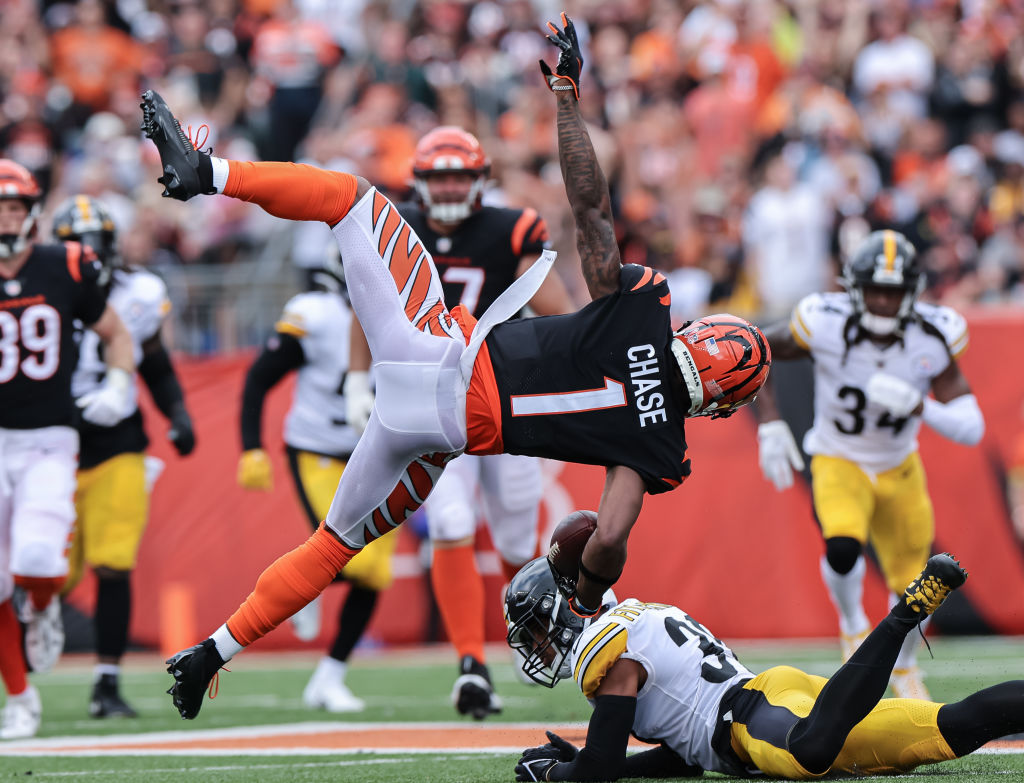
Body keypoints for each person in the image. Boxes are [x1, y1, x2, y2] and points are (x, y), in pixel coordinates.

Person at [143, 12, 769, 722]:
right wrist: (582, 595)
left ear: (693, 330)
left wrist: (566, 96)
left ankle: (210, 172)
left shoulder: (644, 304)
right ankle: (212, 652)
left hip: (437, 357)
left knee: (351, 201)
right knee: (332, 544)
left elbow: (590, 207)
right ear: (718, 408)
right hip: (440, 441)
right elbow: (612, 535)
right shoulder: (661, 450)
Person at [505, 551, 1024, 781]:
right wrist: (589, 759)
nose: (536, 646)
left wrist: (553, 771)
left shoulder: (611, 653)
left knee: (808, 753)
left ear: (560, 614)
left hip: (754, 718)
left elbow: (596, 774)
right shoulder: (637, 618)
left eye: (534, 631)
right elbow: (684, 758)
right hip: (771, 701)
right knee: (944, 728)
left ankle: (905, 614)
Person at [754, 229, 984, 700]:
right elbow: (758, 349)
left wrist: (921, 407)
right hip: (839, 457)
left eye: (893, 291)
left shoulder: (933, 334)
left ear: (912, 292)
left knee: (915, 584)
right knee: (842, 544)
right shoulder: (825, 321)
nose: (882, 300)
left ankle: (903, 666)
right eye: (875, 289)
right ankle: (852, 624)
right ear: (854, 289)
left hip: (899, 467)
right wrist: (770, 422)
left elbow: (972, 425)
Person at [396, 125, 574, 719]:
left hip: (506, 398)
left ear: (479, 180)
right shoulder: (399, 230)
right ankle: (470, 666)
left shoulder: (510, 228)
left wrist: (578, 347)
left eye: (458, 175)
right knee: (449, 522)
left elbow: (557, 309)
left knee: (519, 542)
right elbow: (362, 309)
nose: (448, 188)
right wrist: (354, 377)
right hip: (436, 401)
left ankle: (533, 640)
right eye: (438, 176)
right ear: (420, 182)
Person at [0, 163, 134, 740]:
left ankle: (43, 605)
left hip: (50, 440)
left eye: (12, 206)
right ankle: (21, 699)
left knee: (36, 560)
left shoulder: (64, 266)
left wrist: (120, 383)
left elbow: (118, 335)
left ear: (31, 213)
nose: (5, 217)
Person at [54, 195, 195, 719]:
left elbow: (154, 361)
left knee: (114, 563)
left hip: (118, 441)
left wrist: (177, 412)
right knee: (44, 571)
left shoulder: (140, 292)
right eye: (77, 243)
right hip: (53, 439)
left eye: (96, 242)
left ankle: (106, 683)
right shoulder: (41, 286)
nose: (88, 252)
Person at [237, 248, 395, 713]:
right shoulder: (316, 314)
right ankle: (307, 579)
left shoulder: (399, 315)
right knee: (352, 558)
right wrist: (251, 446)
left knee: (374, 575)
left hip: (379, 452)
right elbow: (259, 378)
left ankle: (329, 676)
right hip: (319, 448)